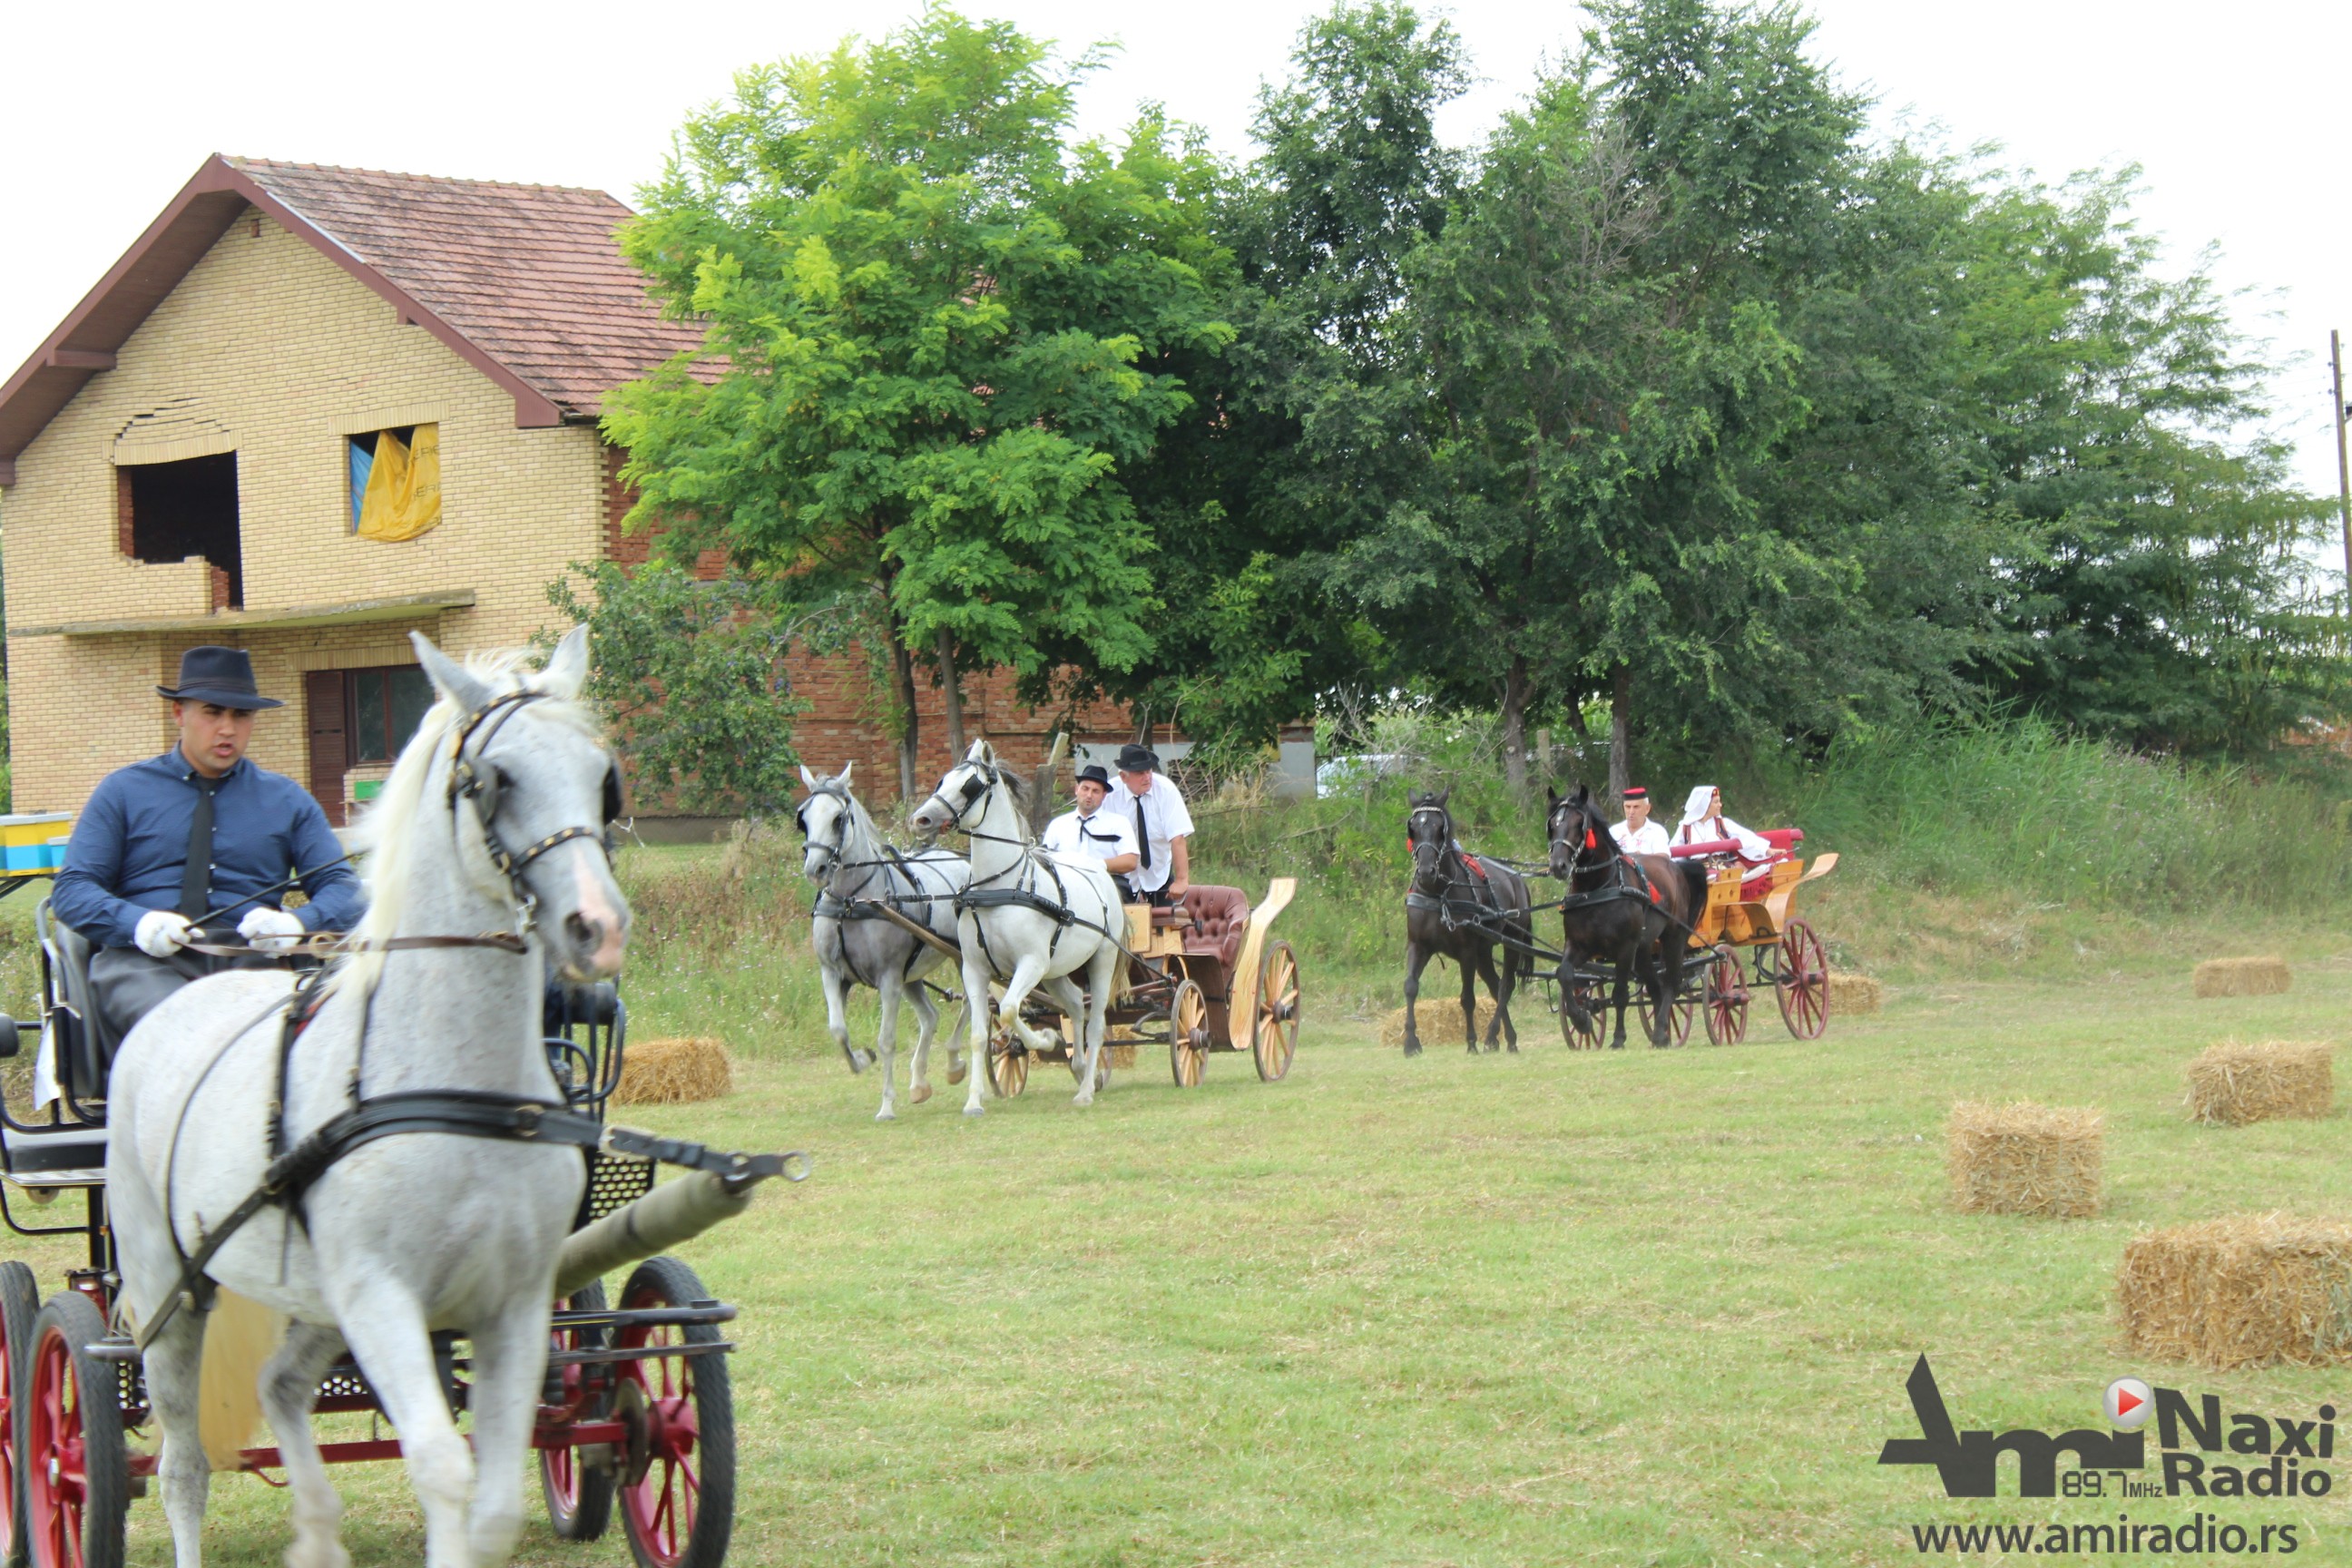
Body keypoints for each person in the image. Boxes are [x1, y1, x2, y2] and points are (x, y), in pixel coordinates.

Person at [53, 646, 366, 1048]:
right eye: (213, 713)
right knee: (181, 1032)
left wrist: (298, 923)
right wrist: (138, 923)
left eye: (241, 715)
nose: (227, 729)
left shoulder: (288, 801)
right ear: (179, 713)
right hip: (142, 965)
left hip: (254, 966)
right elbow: (73, 889)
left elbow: (345, 891)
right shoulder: (122, 792)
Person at [1106, 742, 1193, 906]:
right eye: (1140, 773)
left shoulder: (1166, 790)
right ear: (1124, 777)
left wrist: (1182, 880)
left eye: (1149, 770)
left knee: (1166, 920)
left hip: (1159, 874)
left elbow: (1177, 838)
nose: (1147, 777)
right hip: (1120, 878)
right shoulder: (1109, 794)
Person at [1041, 764, 1142, 897]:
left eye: (1095, 791)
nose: (1089, 795)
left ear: (1104, 795)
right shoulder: (1058, 825)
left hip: (1107, 886)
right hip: (1065, 888)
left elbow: (1130, 862)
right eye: (1085, 789)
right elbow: (1044, 861)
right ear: (1077, 789)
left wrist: (1098, 865)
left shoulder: (1118, 823)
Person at [1672, 784, 1771, 863]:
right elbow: (1675, 855)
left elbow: (1745, 838)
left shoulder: (1723, 823)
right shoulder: (1685, 828)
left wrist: (1765, 850)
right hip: (1698, 874)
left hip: (1724, 868)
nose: (1720, 805)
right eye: (1716, 802)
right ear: (1704, 805)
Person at [1611, 785, 1670, 857]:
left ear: (1647, 808)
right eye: (1628, 807)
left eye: (1636, 807)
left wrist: (1641, 858)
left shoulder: (1657, 831)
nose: (1631, 812)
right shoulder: (1613, 831)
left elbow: (1663, 858)